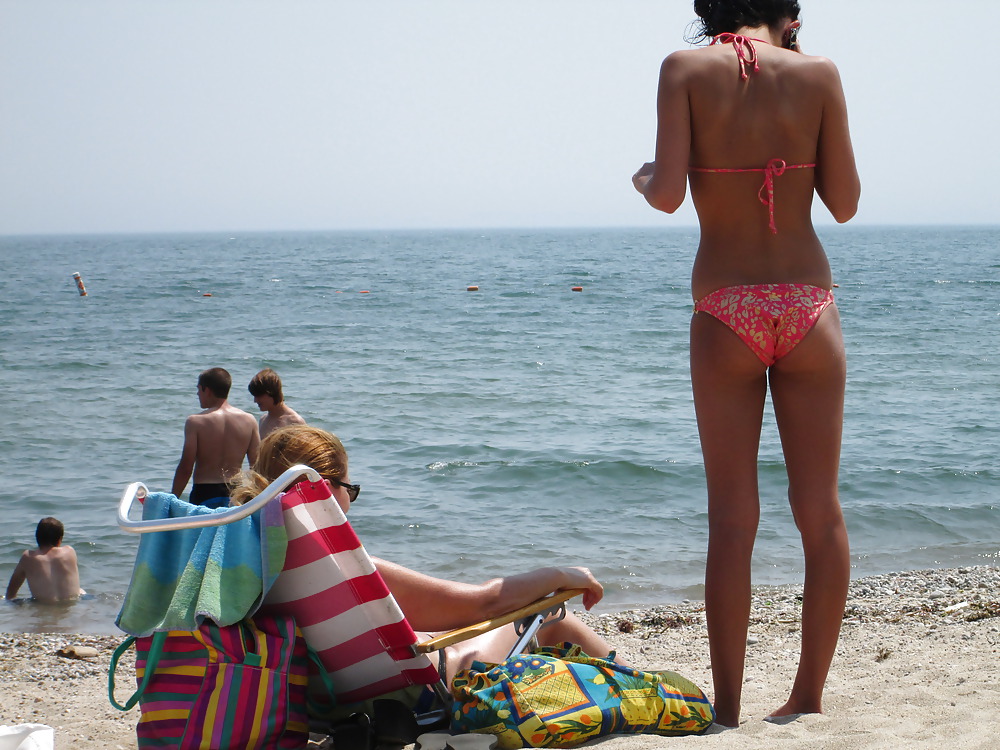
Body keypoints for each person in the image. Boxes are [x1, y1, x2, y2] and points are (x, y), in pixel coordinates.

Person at [632, 0, 860, 727]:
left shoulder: (683, 69)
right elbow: (845, 203)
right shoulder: (819, 73)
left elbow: (668, 196)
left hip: (726, 306)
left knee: (732, 519)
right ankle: (806, 698)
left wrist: (645, 177)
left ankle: (727, 708)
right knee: (819, 512)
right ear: (789, 14)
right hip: (807, 304)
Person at [231, 425, 619, 683]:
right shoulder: (350, 572)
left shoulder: (256, 567)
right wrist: (561, 575)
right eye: (351, 488)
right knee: (550, 615)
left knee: (438, 628)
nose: (350, 499)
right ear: (327, 488)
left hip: (328, 698)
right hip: (414, 692)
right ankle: (640, 688)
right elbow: (484, 602)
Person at [171, 367, 260, 506]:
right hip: (236, 492)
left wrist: (172, 499)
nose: (197, 394)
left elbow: (186, 468)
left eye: (199, 389)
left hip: (205, 492)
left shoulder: (195, 422)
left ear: (206, 390)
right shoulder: (249, 420)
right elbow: (256, 466)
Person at [5, 517, 84, 601]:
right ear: (59, 540)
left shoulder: (28, 557)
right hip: (71, 606)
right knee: (81, 591)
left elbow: (11, 592)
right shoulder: (70, 551)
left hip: (43, 606)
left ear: (37, 538)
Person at [247, 368, 306, 440]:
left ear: (271, 392)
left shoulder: (294, 421)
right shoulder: (263, 420)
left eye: (259, 396)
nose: (255, 400)